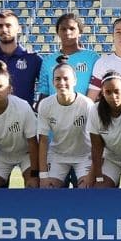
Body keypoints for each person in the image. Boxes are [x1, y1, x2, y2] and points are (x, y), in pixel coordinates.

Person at [36, 56, 95, 188]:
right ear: (53, 82)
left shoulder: (87, 104)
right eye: (57, 79)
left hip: (84, 156)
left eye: (66, 78)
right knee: (47, 189)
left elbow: (97, 140)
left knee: (86, 190)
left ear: (74, 81)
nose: (62, 82)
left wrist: (91, 175)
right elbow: (43, 141)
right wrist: (43, 176)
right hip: (57, 156)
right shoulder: (45, 105)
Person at [0, 10, 42, 106]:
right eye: (0, 26)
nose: (4, 29)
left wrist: (38, 107)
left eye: (8, 25)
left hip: (23, 113)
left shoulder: (33, 59)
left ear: (19, 29)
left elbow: (48, 87)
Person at [37, 13, 100, 102]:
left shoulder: (93, 58)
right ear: (58, 33)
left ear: (80, 32)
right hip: (56, 110)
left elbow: (98, 90)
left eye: (72, 28)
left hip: (85, 109)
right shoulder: (48, 61)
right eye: (63, 29)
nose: (67, 32)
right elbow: (44, 93)